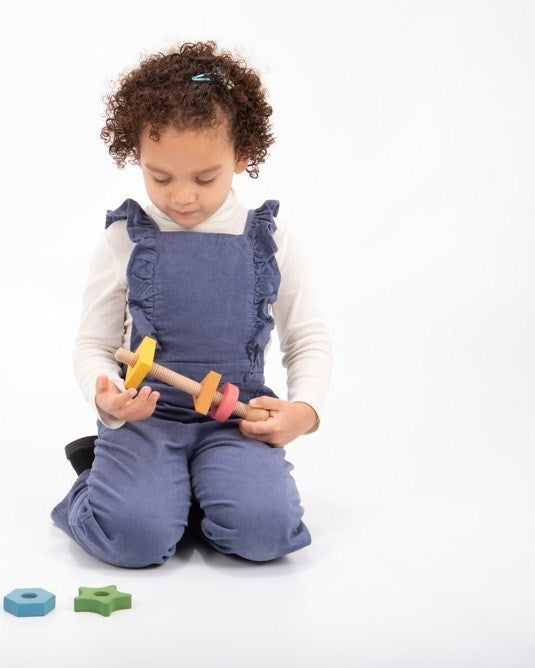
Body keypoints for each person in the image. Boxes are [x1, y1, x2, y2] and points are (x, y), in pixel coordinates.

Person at [50, 41, 333, 568]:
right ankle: (101, 480)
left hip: (235, 421)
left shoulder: (269, 240)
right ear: (138, 157)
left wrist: (304, 412)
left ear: (241, 157)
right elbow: (93, 343)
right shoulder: (124, 239)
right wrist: (104, 398)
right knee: (133, 540)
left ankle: (191, 494)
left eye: (205, 178)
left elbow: (307, 338)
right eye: (160, 177)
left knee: (265, 535)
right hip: (146, 420)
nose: (182, 197)